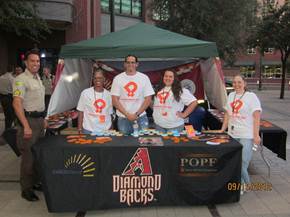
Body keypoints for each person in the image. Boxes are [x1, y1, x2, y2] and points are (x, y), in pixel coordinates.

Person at [12, 49, 46, 202]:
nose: (36, 63)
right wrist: (25, 125)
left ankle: (36, 182)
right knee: (29, 158)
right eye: (32, 61)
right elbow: (17, 103)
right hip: (29, 121)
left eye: (38, 61)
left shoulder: (37, 77)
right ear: (25, 62)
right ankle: (26, 189)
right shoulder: (21, 79)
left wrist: (43, 118)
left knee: (38, 155)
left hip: (39, 121)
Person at [219, 75, 262, 194]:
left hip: (246, 135)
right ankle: (241, 185)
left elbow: (257, 116)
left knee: (242, 162)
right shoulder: (231, 95)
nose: (236, 84)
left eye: (239, 82)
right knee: (235, 161)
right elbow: (228, 113)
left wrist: (256, 135)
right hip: (233, 134)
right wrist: (222, 129)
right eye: (234, 82)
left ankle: (246, 184)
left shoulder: (251, 96)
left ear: (245, 83)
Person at [111, 55, 154, 135]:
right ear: (124, 64)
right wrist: (127, 114)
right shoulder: (117, 78)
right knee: (125, 144)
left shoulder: (144, 78)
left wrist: (136, 114)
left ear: (137, 64)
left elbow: (148, 99)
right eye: (128, 62)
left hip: (141, 117)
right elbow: (114, 100)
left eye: (133, 62)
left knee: (143, 144)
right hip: (123, 118)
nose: (130, 64)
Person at [77, 68, 113, 134]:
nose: (97, 80)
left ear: (104, 79)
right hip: (88, 129)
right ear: (93, 79)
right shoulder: (85, 93)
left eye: (100, 78)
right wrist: (79, 128)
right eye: (95, 78)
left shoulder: (109, 95)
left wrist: (111, 128)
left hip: (105, 130)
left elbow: (109, 113)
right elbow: (80, 111)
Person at [0, 65, 15, 130]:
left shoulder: (1, 77)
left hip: (2, 97)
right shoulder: (12, 78)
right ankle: (8, 129)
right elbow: (14, 89)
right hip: (9, 98)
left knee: (6, 114)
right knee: (11, 115)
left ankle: (7, 128)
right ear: (12, 70)